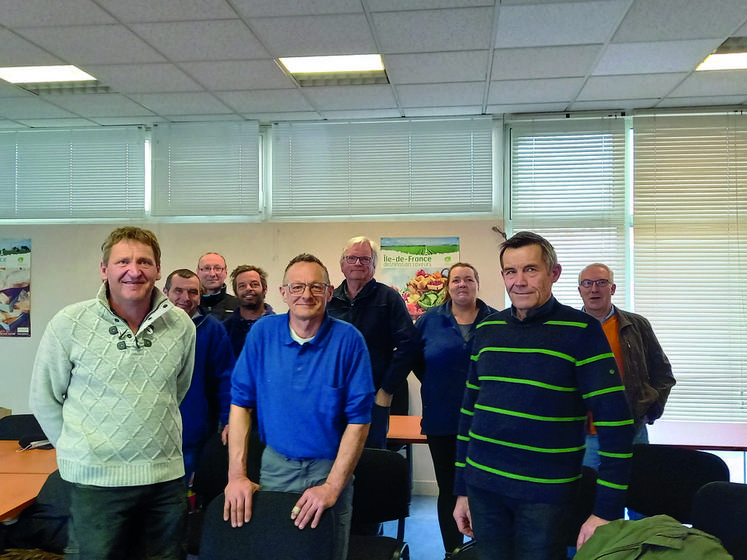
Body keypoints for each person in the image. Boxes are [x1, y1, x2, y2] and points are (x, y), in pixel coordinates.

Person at [453, 231, 634, 560]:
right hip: (483, 489)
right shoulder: (488, 330)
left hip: (545, 495)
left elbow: (616, 424)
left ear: (554, 273)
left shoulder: (582, 331)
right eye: (510, 271)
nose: (519, 282)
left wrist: (607, 509)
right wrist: (461, 489)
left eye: (530, 270)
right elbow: (469, 412)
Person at [30, 226, 196, 560]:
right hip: (96, 483)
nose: (134, 271)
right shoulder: (69, 323)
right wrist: (77, 449)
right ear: (104, 270)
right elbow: (43, 397)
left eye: (144, 262)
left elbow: (175, 390)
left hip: (164, 480)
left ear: (158, 269)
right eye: (123, 262)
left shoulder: (181, 326)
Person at [224, 253, 375, 560]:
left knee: (328, 551)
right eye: (297, 287)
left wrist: (332, 486)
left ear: (330, 292)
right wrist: (236, 475)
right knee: (277, 550)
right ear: (283, 293)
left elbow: (359, 420)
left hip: (330, 468)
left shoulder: (349, 341)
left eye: (316, 287)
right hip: (277, 466)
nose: (306, 294)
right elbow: (240, 404)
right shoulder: (262, 335)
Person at [413, 262, 496, 557]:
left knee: (486, 489)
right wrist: (440, 385)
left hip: (486, 424)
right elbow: (417, 361)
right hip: (442, 421)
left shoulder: (496, 321)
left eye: (468, 279)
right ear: (448, 287)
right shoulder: (429, 321)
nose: (462, 284)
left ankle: (487, 549)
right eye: (456, 280)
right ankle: (454, 551)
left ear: (477, 284)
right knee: (449, 489)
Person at [578, 263, 675, 469]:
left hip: (630, 430)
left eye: (601, 282)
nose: (594, 289)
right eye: (587, 283)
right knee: (589, 496)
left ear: (612, 289)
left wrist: (653, 408)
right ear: (580, 290)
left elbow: (663, 373)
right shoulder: (568, 328)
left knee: (637, 492)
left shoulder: (637, 325)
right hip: (584, 436)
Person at [327, 236, 418, 448]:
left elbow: (409, 345)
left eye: (365, 259)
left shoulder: (389, 299)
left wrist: (386, 390)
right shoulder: (329, 300)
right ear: (342, 265)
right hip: (333, 398)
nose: (358, 263)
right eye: (352, 258)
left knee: (370, 462)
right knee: (330, 460)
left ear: (374, 265)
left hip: (373, 399)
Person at [163, 268, 235, 481]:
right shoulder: (149, 326)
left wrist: (229, 420)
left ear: (200, 295)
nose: (185, 298)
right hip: (152, 434)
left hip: (193, 434)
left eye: (193, 292)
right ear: (166, 292)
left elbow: (226, 377)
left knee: (187, 501)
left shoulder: (212, 329)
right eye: (178, 291)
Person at [224, 264, 275, 357]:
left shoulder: (280, 327)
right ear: (235, 293)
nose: (248, 289)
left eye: (254, 284)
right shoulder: (224, 331)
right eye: (242, 286)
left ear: (265, 289)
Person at [197, 252, 240, 321]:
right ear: (198, 272)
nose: (212, 274)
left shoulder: (238, 306)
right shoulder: (189, 305)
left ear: (225, 273)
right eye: (207, 268)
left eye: (217, 268)